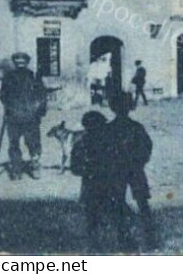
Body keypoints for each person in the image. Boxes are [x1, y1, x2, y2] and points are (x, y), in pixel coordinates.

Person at [104, 91, 155, 250]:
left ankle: (123, 236)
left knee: (118, 201)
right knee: (142, 201)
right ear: (130, 107)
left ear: (112, 107)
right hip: (134, 168)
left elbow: (104, 150)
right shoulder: (136, 127)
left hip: (117, 170)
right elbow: (147, 146)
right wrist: (140, 161)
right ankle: (150, 235)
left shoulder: (109, 129)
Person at [70, 110, 119, 251]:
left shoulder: (81, 144)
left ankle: (96, 246)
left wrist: (87, 170)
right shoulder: (110, 142)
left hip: (91, 186)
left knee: (93, 220)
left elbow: (75, 169)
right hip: (109, 185)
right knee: (112, 218)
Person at [0, 51, 48, 179]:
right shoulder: (13, 77)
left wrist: (39, 111)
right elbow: (4, 96)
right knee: (27, 143)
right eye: (18, 62)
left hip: (22, 116)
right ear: (16, 63)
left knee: (24, 143)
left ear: (26, 63)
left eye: (22, 62)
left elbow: (42, 94)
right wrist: (40, 111)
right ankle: (21, 169)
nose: (20, 64)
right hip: (22, 116)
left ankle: (21, 170)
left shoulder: (32, 77)